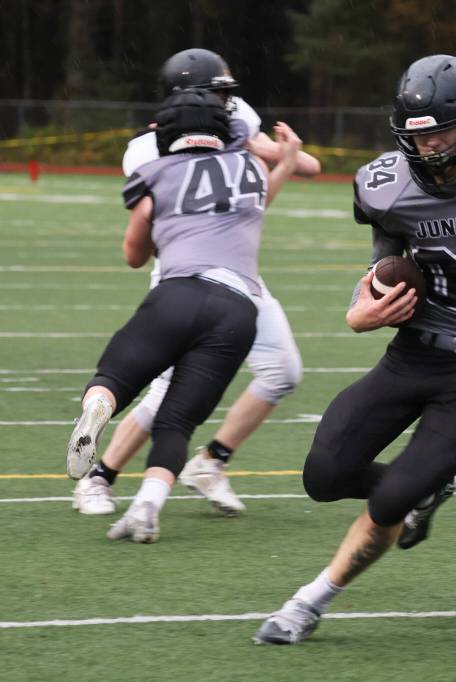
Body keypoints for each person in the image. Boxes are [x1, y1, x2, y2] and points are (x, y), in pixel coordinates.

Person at [251, 55, 456, 645]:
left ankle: (308, 602)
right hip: (412, 353)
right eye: (418, 134)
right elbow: (382, 264)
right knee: (323, 477)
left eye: (441, 132)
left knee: (392, 501)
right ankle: (426, 485)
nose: (428, 146)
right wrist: (364, 306)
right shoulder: (386, 186)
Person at [72, 48, 321, 518]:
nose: (228, 103)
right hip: (181, 271)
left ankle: (210, 462)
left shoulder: (234, 120)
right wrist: (273, 156)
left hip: (238, 272)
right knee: (168, 391)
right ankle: (99, 477)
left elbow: (300, 167)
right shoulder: (147, 150)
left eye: (229, 94)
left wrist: (276, 154)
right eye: (219, 94)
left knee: (283, 371)